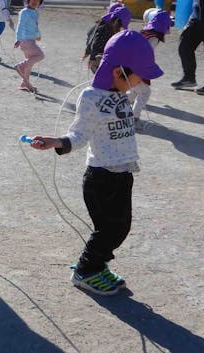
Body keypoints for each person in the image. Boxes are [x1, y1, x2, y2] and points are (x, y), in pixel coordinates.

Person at [27, 30, 163, 296]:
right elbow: (79, 134)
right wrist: (57, 141)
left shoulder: (121, 93)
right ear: (118, 72)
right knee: (109, 230)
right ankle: (86, 271)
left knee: (121, 227)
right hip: (102, 179)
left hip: (123, 173)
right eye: (139, 76)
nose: (142, 82)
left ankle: (97, 265)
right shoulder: (91, 98)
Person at [128, 10, 172, 130]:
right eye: (168, 25)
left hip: (130, 65)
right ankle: (133, 118)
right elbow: (144, 54)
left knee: (135, 90)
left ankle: (121, 108)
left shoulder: (145, 32)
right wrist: (147, 69)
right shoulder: (153, 38)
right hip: (136, 68)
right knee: (145, 92)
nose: (169, 29)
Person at [13, 0, 46, 92]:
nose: (35, 1)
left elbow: (35, 26)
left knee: (30, 64)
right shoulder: (24, 12)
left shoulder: (35, 12)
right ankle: (20, 66)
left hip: (31, 40)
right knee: (40, 55)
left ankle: (25, 83)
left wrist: (38, 35)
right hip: (25, 41)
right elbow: (20, 26)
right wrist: (18, 39)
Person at [83, 3, 131, 72]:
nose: (121, 28)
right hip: (99, 59)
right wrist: (92, 57)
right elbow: (96, 42)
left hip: (99, 58)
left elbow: (90, 37)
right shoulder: (107, 28)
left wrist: (87, 52)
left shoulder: (103, 24)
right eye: (121, 25)